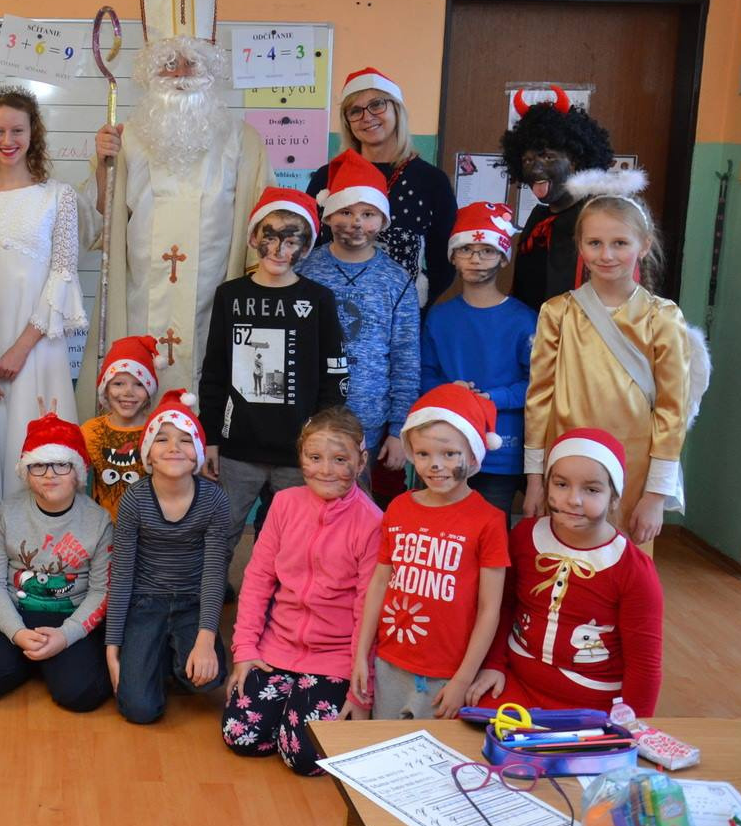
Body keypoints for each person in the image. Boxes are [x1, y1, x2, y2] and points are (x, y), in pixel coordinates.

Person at [77, 0, 274, 403]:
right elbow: (98, 224)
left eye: (192, 62)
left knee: (208, 388)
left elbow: (263, 231)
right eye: (169, 62)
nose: (181, 73)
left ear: (210, 70)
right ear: (151, 71)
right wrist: (103, 167)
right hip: (139, 296)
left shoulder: (243, 140)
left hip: (216, 296)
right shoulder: (126, 138)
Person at [523, 174, 694, 549]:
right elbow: (539, 399)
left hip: (633, 471)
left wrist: (655, 496)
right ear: (580, 246)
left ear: (643, 245)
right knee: (562, 561)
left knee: (624, 564)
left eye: (620, 243)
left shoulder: (662, 317)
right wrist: (535, 478)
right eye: (595, 243)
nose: (606, 255)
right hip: (565, 465)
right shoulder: (557, 312)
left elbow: (672, 410)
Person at [0, 86, 88, 534]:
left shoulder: (58, 197)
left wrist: (21, 348)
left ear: (33, 134)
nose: (7, 140)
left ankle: (44, 548)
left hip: (37, 343)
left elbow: (63, 274)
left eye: (17, 130)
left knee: (37, 436)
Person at [223, 407, 383, 775]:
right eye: (315, 458)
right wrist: (245, 650)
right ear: (301, 459)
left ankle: (295, 715)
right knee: (241, 736)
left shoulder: (373, 522)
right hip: (277, 647)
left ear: (361, 462)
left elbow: (368, 609)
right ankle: (287, 710)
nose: (326, 470)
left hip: (334, 658)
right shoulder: (284, 504)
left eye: (339, 459)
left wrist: (361, 690)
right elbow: (258, 579)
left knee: (304, 757)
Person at [467, 429, 664, 717]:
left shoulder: (634, 570)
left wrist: (632, 727)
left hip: (592, 706)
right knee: (471, 725)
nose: (573, 500)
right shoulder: (524, 537)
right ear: (547, 486)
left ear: (613, 498)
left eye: (591, 490)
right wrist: (494, 664)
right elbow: (504, 606)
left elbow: (644, 664)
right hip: (516, 686)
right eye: (561, 484)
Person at [199, 188, 347, 568]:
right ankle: (209, 603)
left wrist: (321, 440)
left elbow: (333, 375)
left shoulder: (319, 300)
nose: (280, 249)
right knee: (220, 534)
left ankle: (275, 604)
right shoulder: (230, 296)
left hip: (297, 453)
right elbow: (214, 372)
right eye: (270, 236)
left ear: (307, 247)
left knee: (291, 541)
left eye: (292, 240)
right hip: (237, 449)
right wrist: (211, 437)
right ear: (253, 238)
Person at [351, 385, 509, 719]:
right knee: (385, 745)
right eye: (423, 454)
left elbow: (489, 609)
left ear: (473, 454)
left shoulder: (489, 521)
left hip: (448, 674)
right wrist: (361, 654)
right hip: (390, 663)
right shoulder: (398, 508)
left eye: (449, 454)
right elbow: (379, 583)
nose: (435, 465)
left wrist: (463, 678)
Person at [0, 411, 114, 713]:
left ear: (77, 472)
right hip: (15, 609)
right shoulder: (7, 512)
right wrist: (17, 633)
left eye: (61, 464)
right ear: (26, 472)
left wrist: (66, 636)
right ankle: (36, 660)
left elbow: (101, 590)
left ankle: (50, 661)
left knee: (81, 695)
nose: (49, 474)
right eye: (39, 465)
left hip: (70, 613)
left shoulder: (98, 521)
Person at [300, 150, 420, 506]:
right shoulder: (305, 270)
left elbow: (405, 359)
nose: (356, 223)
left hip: (370, 421)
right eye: (346, 212)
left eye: (368, 214)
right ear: (328, 215)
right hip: (308, 417)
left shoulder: (396, 280)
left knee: (359, 510)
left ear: (382, 220)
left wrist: (399, 430)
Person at [105, 393, 229, 724]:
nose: (174, 447)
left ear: (198, 453)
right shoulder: (135, 499)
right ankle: (154, 655)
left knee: (207, 679)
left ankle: (172, 655)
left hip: (192, 601)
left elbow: (214, 574)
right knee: (139, 709)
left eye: (185, 440)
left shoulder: (214, 500)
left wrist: (206, 639)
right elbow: (122, 575)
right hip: (146, 603)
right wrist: (112, 650)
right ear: (148, 453)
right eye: (162, 439)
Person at [306, 68, 457, 308]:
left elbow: (445, 262)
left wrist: (408, 306)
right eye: (355, 111)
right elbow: (307, 248)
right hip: (329, 314)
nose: (366, 117)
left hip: (402, 317)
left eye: (377, 105)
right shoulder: (327, 177)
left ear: (396, 110)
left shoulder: (432, 181)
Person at [421, 203, 536, 515]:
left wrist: (493, 398)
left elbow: (538, 384)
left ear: (503, 257)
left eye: (486, 250)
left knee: (490, 530)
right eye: (466, 249)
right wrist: (448, 393)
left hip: (500, 450)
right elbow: (426, 373)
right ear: (453, 257)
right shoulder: (439, 317)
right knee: (441, 526)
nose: (475, 259)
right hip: (444, 447)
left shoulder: (525, 319)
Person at [499, 87, 616, 310]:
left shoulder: (596, 218)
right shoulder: (538, 218)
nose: (536, 168)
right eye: (527, 160)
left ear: (574, 161)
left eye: (548, 157)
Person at [80, 334, 162, 521]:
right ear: (106, 389)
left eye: (139, 384)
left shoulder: (158, 431)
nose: (128, 392)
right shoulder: (90, 431)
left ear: (149, 391)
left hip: (149, 528)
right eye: (118, 383)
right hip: (104, 527)